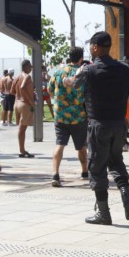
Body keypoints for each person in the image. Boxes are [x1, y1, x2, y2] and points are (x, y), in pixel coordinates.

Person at [68, 31, 129, 225]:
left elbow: (74, 86)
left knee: (97, 167)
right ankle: (125, 193)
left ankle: (103, 213)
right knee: (116, 161)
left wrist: (73, 75)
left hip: (98, 125)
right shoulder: (124, 69)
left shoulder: (88, 70)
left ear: (94, 47)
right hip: (118, 124)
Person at [48, 46, 89, 187]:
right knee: (81, 146)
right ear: (81, 58)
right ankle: (84, 172)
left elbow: (50, 90)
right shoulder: (82, 73)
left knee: (60, 144)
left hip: (60, 115)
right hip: (78, 116)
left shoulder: (58, 72)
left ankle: (55, 174)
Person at [13, 59, 36, 158]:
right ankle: (22, 150)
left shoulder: (17, 77)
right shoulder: (27, 76)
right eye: (30, 66)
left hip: (17, 103)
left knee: (21, 128)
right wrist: (30, 100)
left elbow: (12, 90)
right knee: (22, 128)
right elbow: (22, 87)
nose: (31, 68)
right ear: (26, 67)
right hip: (24, 104)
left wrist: (19, 96)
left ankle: (22, 149)